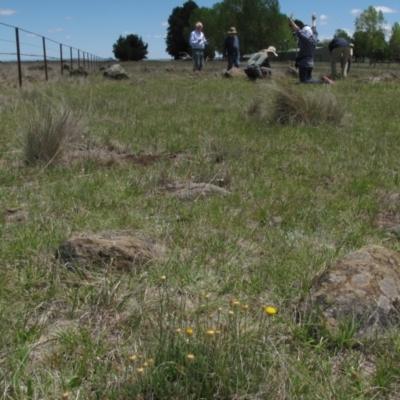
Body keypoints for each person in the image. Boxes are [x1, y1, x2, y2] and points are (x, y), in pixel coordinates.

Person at [289, 13, 333, 84]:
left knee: (303, 81)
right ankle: (321, 81)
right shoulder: (314, 38)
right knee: (309, 79)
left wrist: (291, 20)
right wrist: (314, 20)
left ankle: (321, 81)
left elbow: (297, 29)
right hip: (310, 63)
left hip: (304, 63)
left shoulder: (305, 39)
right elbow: (314, 28)